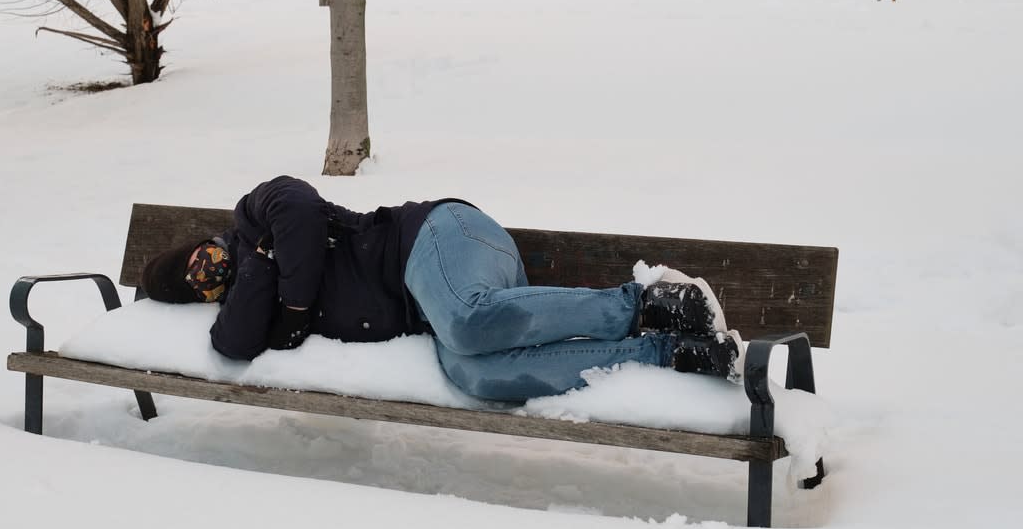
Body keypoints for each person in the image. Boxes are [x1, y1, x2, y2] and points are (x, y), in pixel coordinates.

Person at [141, 175, 741, 402]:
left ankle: (652, 301)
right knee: (478, 376)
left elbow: (297, 208)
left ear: (205, 240)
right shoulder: (249, 282)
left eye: (203, 258)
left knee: (465, 321)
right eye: (199, 283)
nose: (211, 270)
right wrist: (253, 273)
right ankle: (669, 354)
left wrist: (286, 295)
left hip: (438, 237)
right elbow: (235, 346)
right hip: (453, 304)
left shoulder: (255, 213)